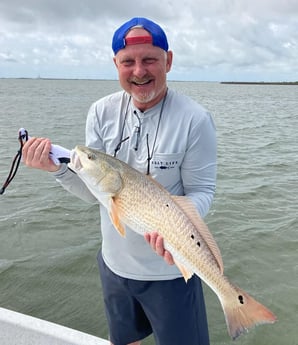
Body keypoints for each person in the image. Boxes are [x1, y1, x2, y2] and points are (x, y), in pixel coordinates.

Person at [22, 17, 217, 345]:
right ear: (116, 64)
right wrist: (57, 170)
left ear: (168, 60)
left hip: (171, 271)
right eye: (128, 62)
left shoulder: (195, 119)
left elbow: (203, 191)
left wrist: (172, 223)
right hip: (114, 266)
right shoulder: (100, 112)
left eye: (149, 60)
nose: (139, 71)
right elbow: (95, 193)